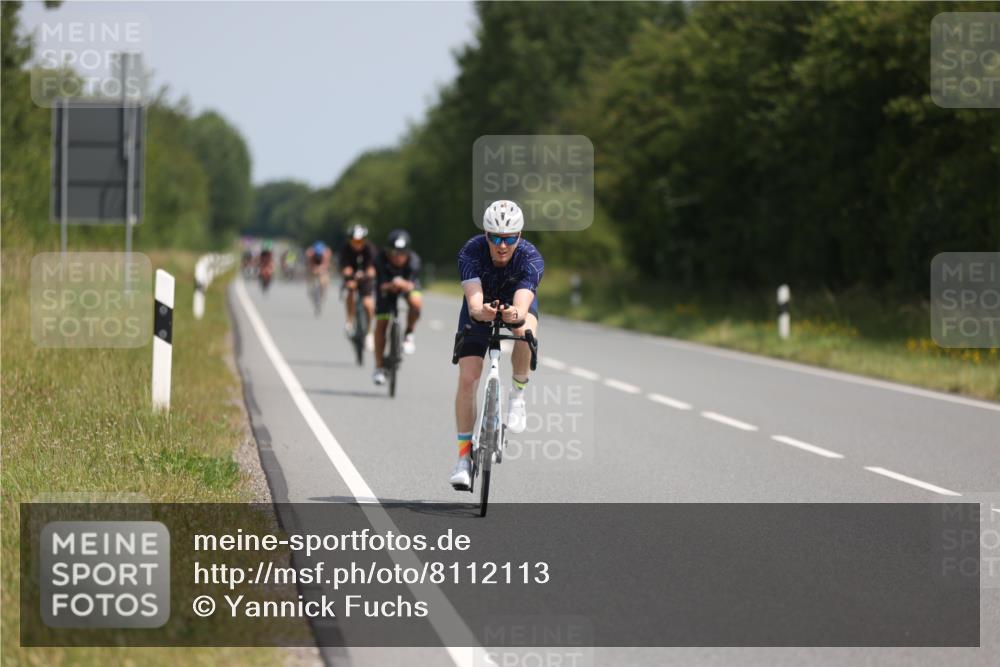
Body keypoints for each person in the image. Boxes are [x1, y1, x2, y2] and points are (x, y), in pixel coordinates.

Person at [449, 200, 543, 490]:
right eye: (496, 238)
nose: (503, 245)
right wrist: (482, 312)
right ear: (486, 235)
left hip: (515, 304)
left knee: (526, 329)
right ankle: (464, 460)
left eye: (510, 238)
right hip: (481, 306)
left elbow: (523, 303)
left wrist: (515, 315)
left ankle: (517, 396)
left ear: (520, 236)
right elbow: (474, 303)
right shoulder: (471, 251)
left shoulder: (531, 258)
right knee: (467, 380)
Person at [372, 230, 423, 386]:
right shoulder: (379, 259)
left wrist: (403, 285)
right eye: (394, 252)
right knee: (382, 323)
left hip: (406, 287)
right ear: (387, 251)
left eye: (402, 253)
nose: (397, 257)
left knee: (416, 303)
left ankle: (409, 333)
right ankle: (379, 367)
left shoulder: (414, 261)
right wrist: (391, 285)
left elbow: (412, 283)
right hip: (386, 289)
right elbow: (380, 284)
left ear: (408, 253)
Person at [338, 224, 377, 340]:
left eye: (360, 241)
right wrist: (347, 272)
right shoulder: (345, 248)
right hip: (351, 277)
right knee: (350, 290)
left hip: (366, 278)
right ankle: (349, 321)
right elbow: (343, 266)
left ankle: (369, 331)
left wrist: (370, 272)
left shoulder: (370, 249)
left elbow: (373, 266)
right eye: (354, 241)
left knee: (368, 304)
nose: (357, 244)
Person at [304, 240, 332, 314]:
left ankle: (323, 293)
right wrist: (313, 269)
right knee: (311, 285)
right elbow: (309, 264)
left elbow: (326, 264)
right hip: (312, 267)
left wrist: (321, 269)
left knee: (324, 281)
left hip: (322, 268)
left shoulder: (326, 253)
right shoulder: (310, 253)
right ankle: (313, 295)